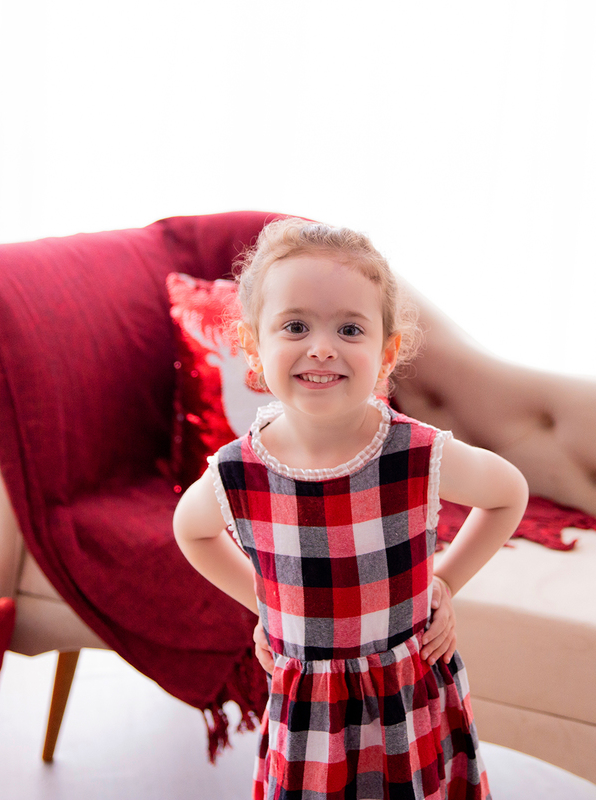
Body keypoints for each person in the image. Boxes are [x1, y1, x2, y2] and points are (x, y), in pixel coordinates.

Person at [173, 217, 529, 800]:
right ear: (252, 347)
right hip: (312, 722)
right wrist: (267, 603)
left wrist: (445, 580)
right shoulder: (239, 472)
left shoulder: (417, 454)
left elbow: (508, 491)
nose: (321, 347)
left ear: (386, 352)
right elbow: (192, 532)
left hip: (408, 706)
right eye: (294, 326)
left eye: (349, 328)